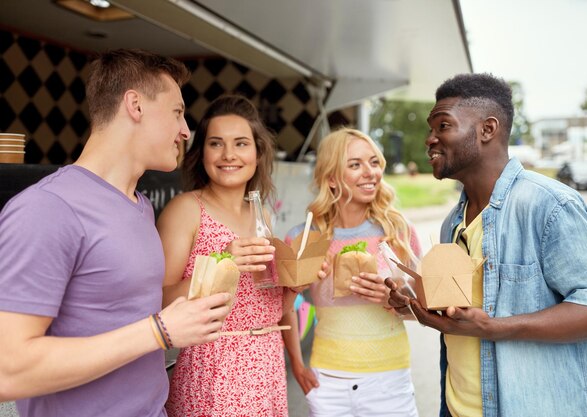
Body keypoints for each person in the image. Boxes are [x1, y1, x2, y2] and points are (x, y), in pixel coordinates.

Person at [0, 49, 232, 416]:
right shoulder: (47, 208)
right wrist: (159, 332)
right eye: (177, 112)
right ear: (135, 105)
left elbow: (123, 310)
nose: (186, 130)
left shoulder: (139, 206)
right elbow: (7, 371)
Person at [386, 73, 587, 417]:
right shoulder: (452, 223)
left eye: (443, 126)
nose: (430, 139)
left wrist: (494, 328)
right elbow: (466, 311)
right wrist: (411, 300)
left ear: (487, 129)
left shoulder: (549, 205)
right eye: (431, 128)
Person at [158, 94, 289, 416]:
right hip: (213, 368)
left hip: (268, 364)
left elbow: (268, 307)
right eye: (216, 143)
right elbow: (158, 299)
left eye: (241, 143)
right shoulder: (186, 209)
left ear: (258, 153)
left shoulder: (262, 216)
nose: (228, 154)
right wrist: (222, 263)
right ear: (201, 152)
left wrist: (296, 282)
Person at [282, 127, 423, 417]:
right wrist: (296, 364)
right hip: (327, 382)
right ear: (332, 179)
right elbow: (282, 308)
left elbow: (425, 307)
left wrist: (392, 298)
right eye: (355, 165)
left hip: (389, 380)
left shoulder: (397, 231)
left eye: (374, 162)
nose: (369, 172)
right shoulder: (304, 236)